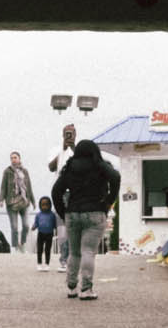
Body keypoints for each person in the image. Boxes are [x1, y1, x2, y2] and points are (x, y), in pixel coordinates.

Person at [51, 138, 120, 300]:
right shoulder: (102, 167)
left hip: (73, 214)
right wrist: (108, 202)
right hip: (95, 212)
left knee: (74, 253)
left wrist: (63, 212)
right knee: (88, 251)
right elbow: (116, 178)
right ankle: (86, 289)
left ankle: (72, 287)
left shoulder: (69, 168)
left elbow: (55, 191)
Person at [47, 123, 78, 270]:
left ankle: (72, 258)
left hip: (75, 192)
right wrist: (63, 150)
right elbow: (51, 167)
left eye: (71, 133)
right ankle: (63, 260)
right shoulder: (57, 149)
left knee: (74, 226)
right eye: (67, 133)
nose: (69, 136)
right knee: (62, 229)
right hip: (60, 191)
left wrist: (73, 148)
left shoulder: (79, 150)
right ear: (62, 134)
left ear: (75, 134)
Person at [0, 151, 35, 252]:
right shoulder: (7, 171)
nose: (13, 160)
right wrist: (1, 199)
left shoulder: (25, 171)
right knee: (14, 227)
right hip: (11, 202)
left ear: (19, 159)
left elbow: (29, 187)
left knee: (26, 225)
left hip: (24, 201)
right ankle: (16, 247)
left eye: (15, 157)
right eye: (11, 158)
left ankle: (22, 243)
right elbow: (3, 187)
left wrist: (33, 201)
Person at [32, 196, 58, 268]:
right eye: (43, 205)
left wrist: (57, 230)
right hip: (40, 234)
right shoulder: (38, 215)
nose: (45, 207)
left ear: (50, 205)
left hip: (49, 234)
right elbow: (36, 223)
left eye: (46, 205)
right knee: (39, 249)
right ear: (40, 206)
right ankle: (39, 263)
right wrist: (34, 227)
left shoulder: (52, 215)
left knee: (47, 249)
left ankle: (47, 264)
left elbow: (55, 224)